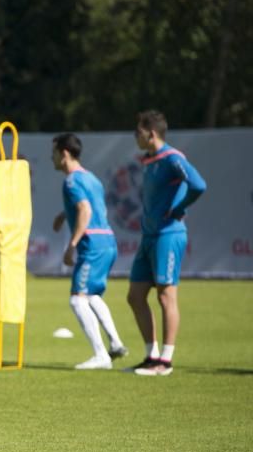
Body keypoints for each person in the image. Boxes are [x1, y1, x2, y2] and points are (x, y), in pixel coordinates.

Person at [127, 110, 207, 376]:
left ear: (151, 134)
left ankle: (166, 361)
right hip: (149, 236)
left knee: (165, 295)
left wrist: (179, 208)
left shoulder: (173, 157)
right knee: (135, 296)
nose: (135, 136)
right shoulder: (148, 160)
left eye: (138, 132)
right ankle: (151, 355)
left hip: (168, 235)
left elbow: (198, 185)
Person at [50, 133, 128, 370]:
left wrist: (71, 245)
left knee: (77, 299)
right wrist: (65, 215)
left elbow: (84, 210)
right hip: (108, 242)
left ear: (64, 154)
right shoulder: (91, 178)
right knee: (92, 295)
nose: (51, 158)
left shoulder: (71, 181)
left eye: (53, 153)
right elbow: (90, 205)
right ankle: (115, 344)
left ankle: (101, 356)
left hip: (91, 245)